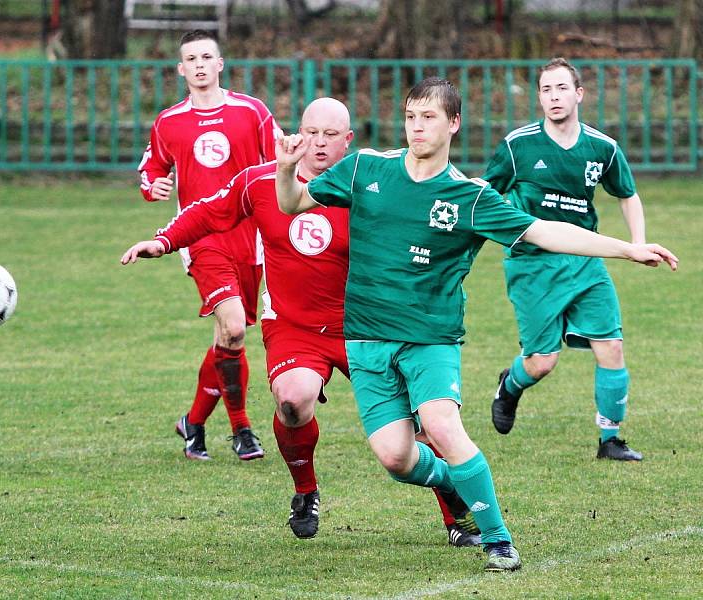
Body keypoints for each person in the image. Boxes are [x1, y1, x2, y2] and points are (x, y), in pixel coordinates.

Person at [274, 77, 677, 572]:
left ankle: (498, 539)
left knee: (442, 424)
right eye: (411, 117)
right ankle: (451, 481)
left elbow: (544, 230)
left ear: (453, 124)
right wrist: (286, 169)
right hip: (366, 339)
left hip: (431, 339)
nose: (417, 127)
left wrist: (626, 248)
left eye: (429, 118)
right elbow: (292, 203)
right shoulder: (364, 169)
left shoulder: (470, 197)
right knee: (396, 460)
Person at [122, 97, 482, 547]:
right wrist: (164, 241)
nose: (319, 144)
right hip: (294, 326)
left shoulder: (369, 185)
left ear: (347, 141)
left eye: (331, 136)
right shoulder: (261, 182)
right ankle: (306, 492)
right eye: (311, 133)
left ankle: (454, 514)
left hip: (367, 325)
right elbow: (211, 210)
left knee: (424, 424)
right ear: (297, 133)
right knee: (292, 401)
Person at [483, 57, 654, 461]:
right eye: (545, 90)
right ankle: (510, 385)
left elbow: (627, 195)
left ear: (579, 94)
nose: (553, 97)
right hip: (532, 263)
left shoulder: (602, 148)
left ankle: (609, 440)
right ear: (539, 98)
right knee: (542, 362)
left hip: (585, 261)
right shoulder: (517, 145)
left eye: (561, 88)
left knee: (610, 345)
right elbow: (484, 196)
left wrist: (639, 242)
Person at [137, 30, 281, 461]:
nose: (199, 65)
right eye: (190, 59)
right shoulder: (169, 121)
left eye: (206, 57)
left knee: (228, 336)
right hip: (201, 238)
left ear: (220, 64)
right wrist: (153, 187)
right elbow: (151, 169)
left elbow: (280, 160)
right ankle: (242, 428)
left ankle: (194, 422)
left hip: (252, 238)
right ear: (181, 69)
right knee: (234, 327)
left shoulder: (251, 112)